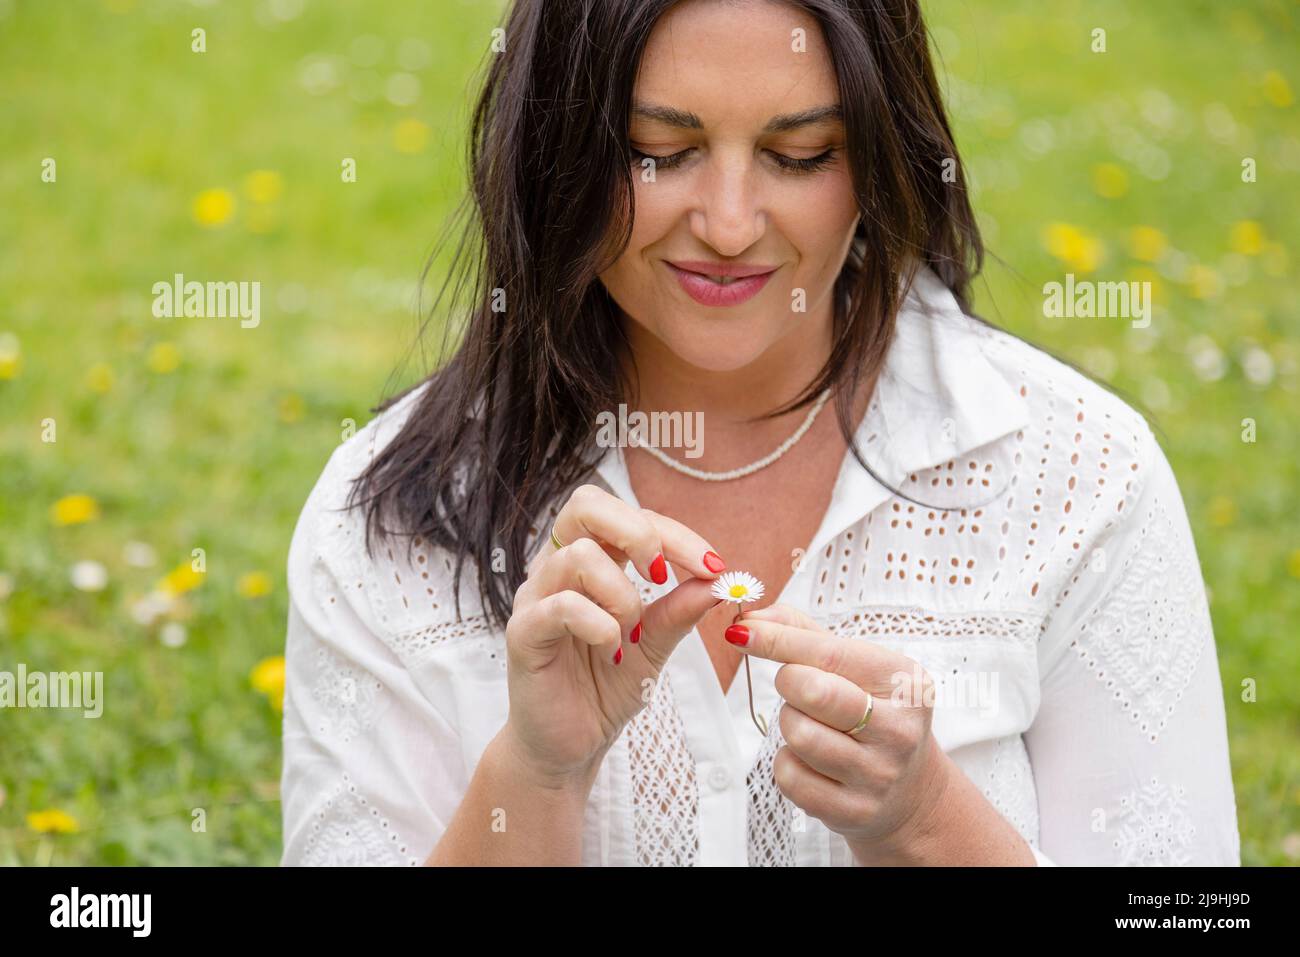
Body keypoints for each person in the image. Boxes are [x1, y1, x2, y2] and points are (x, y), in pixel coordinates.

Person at [279, 0, 1240, 866]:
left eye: (801, 154)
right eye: (660, 148)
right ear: (556, 152)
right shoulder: (388, 523)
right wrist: (533, 777)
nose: (731, 224)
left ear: (877, 154)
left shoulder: (1077, 476)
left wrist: (927, 821)